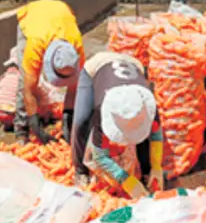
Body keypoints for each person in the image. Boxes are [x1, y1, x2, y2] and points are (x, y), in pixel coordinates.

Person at [70, 52, 164, 198]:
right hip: (96, 66)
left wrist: (156, 167)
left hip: (131, 64)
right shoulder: (102, 109)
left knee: (143, 137)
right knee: (81, 120)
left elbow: (156, 135)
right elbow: (100, 156)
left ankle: (147, 173)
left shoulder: (148, 105)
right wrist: (126, 180)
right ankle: (80, 170)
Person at [14, 0, 85, 145]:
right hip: (32, 18)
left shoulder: (76, 49)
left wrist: (68, 119)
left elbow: (74, 88)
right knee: (25, 80)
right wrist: (35, 125)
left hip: (61, 11)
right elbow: (28, 91)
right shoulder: (35, 44)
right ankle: (21, 130)